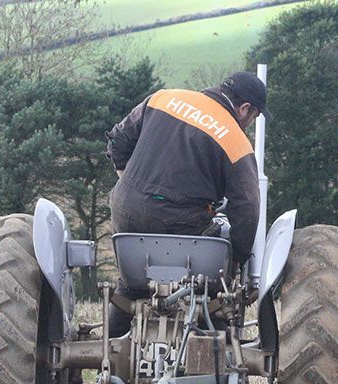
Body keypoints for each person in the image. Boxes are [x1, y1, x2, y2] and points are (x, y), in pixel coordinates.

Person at [104, 71, 272, 336]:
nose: (249, 123)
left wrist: (132, 189)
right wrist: (235, 260)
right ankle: (216, 346)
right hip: (182, 226)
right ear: (245, 108)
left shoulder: (163, 98)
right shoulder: (235, 140)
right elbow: (247, 209)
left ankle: (111, 346)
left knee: (132, 284)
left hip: (126, 212)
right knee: (212, 292)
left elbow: (118, 140)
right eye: (254, 117)